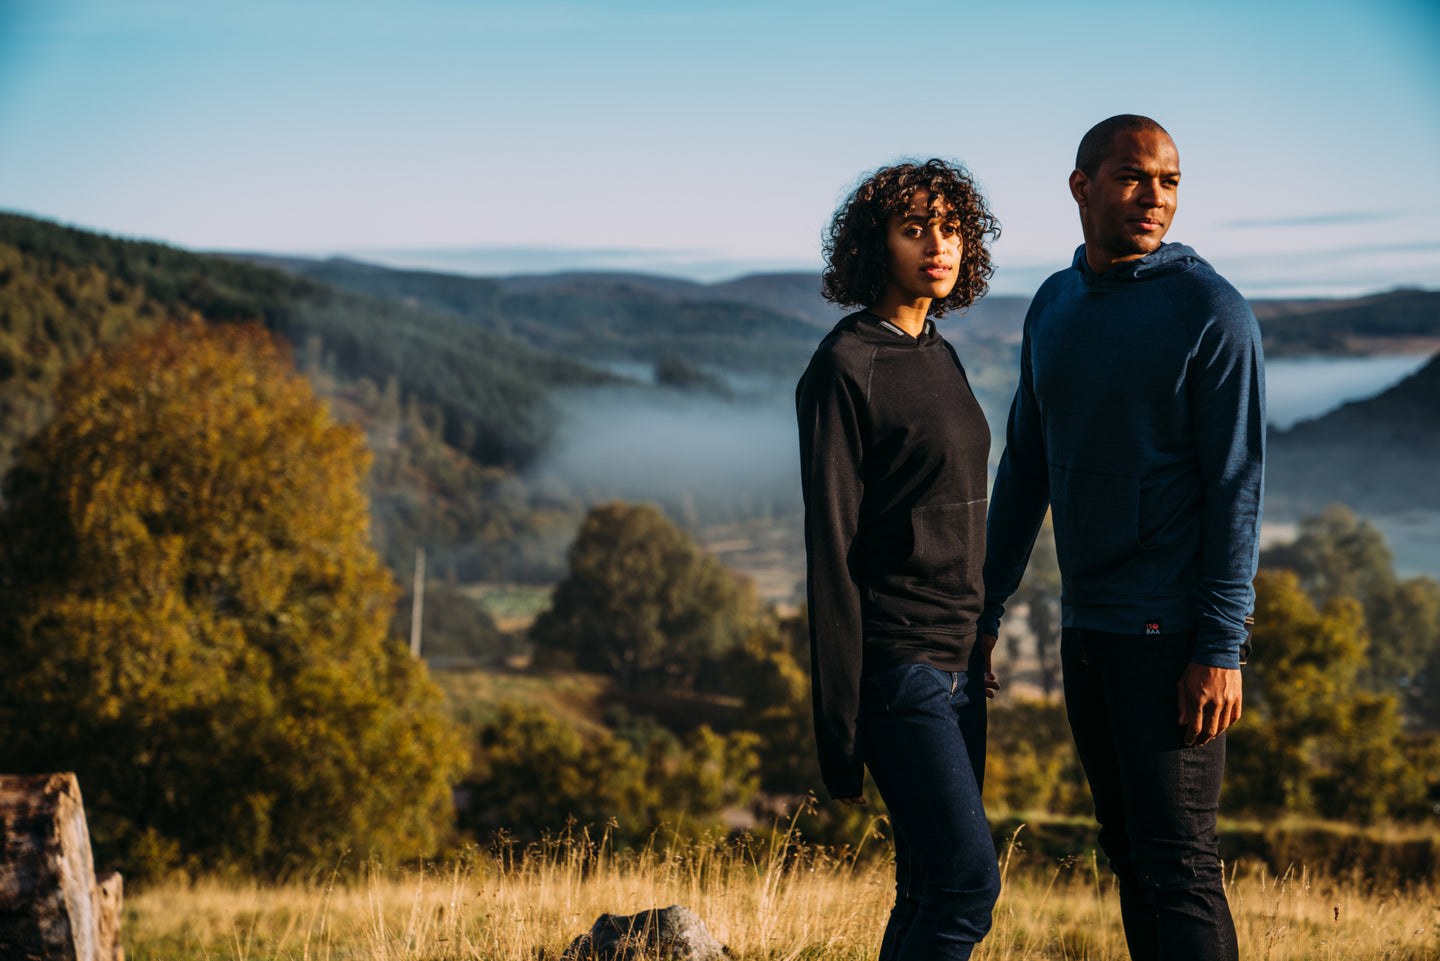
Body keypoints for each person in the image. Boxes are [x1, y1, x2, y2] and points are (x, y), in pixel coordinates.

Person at [979, 115, 1264, 961]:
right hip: (1087, 628)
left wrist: (1220, 644)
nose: (1154, 198)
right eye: (1134, 177)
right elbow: (1026, 466)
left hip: (1171, 636)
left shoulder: (1209, 311)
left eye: (1169, 181)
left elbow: (1235, 486)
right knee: (1128, 853)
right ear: (1082, 186)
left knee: (1178, 866)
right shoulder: (1054, 304)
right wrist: (984, 608)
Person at [796, 158, 1002, 961]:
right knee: (966, 886)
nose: (937, 245)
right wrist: (839, 724)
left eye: (950, 228)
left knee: (925, 882)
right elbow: (832, 548)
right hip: (898, 664)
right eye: (914, 229)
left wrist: (979, 632)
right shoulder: (845, 366)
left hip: (959, 661)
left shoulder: (939, 351)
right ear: (875, 244)